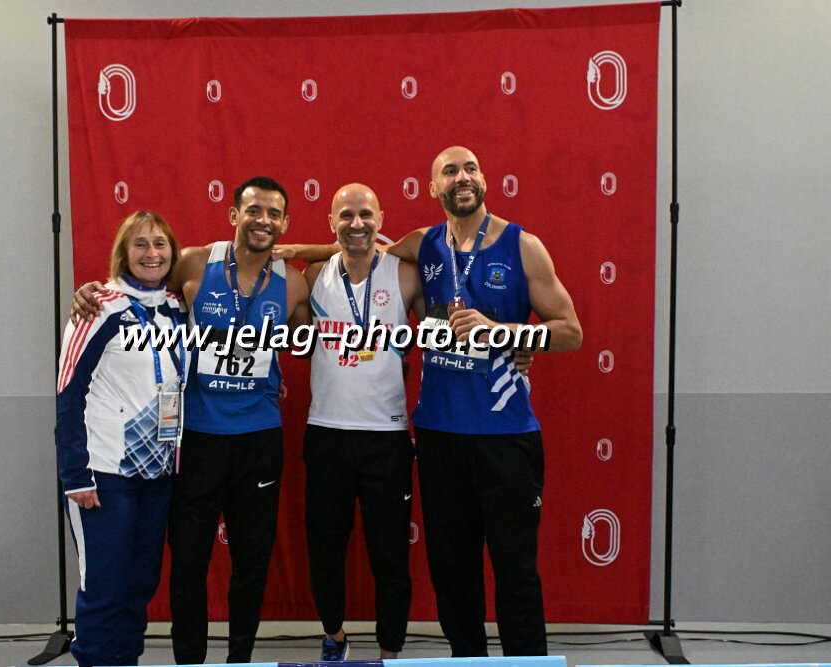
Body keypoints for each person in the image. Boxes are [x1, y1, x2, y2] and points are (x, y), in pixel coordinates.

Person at [281, 146, 581, 657]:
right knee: (452, 572)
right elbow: (356, 245)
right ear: (433, 188)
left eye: (470, 168)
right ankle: (467, 661)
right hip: (439, 435)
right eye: (450, 171)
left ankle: (523, 663)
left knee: (514, 569)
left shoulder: (523, 245)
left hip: (505, 435)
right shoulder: (423, 245)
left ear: (483, 179)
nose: (462, 177)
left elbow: (570, 332)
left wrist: (508, 334)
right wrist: (289, 250)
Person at [72, 176, 310, 664]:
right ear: (234, 215)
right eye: (253, 210)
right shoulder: (195, 263)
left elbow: (305, 340)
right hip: (197, 439)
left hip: (259, 439)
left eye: (273, 213)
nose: (262, 220)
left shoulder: (295, 281)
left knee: (251, 564)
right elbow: (140, 291)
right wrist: (92, 292)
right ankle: (189, 663)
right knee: (188, 564)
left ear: (285, 223)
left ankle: (239, 661)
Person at [57, 210, 186, 667]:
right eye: (140, 244)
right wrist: (75, 475)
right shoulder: (99, 307)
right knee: (104, 587)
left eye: (160, 243)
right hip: (103, 475)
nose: (152, 253)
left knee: (138, 586)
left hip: (158, 474)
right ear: (123, 253)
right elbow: (68, 393)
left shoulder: (176, 309)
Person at [302, 183, 422, 661]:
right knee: (325, 550)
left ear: (381, 218)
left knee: (390, 556)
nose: (357, 223)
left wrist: (512, 347)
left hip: (387, 437)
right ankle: (334, 637)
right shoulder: (313, 274)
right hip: (326, 432)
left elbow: (452, 321)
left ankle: (390, 651)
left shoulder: (405, 275)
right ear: (331, 223)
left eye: (366, 214)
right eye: (347, 215)